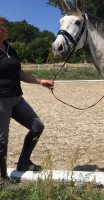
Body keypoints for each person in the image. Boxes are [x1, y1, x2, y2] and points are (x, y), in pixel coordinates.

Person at [0, 17, 54, 188]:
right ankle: (2, 180)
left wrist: (40, 81)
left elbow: (19, 72)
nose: (8, 29)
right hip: (1, 101)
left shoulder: (10, 48)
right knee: (2, 141)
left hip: (16, 98)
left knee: (37, 126)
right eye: (4, 26)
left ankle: (23, 162)